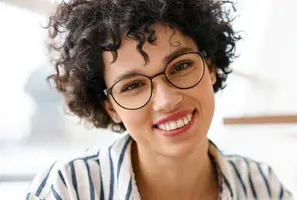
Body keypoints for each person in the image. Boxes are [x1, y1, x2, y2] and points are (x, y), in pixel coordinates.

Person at [26, 0, 294, 199]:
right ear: (111, 108)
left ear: (210, 67)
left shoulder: (262, 186)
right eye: (132, 86)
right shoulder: (66, 189)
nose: (166, 101)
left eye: (180, 67)